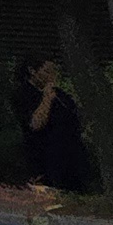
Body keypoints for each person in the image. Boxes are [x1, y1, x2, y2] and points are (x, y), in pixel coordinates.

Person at [19, 54, 98, 192]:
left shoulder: (61, 96)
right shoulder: (25, 94)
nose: (51, 76)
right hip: (44, 159)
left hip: (70, 157)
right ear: (33, 71)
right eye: (46, 71)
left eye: (53, 72)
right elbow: (35, 124)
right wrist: (47, 98)